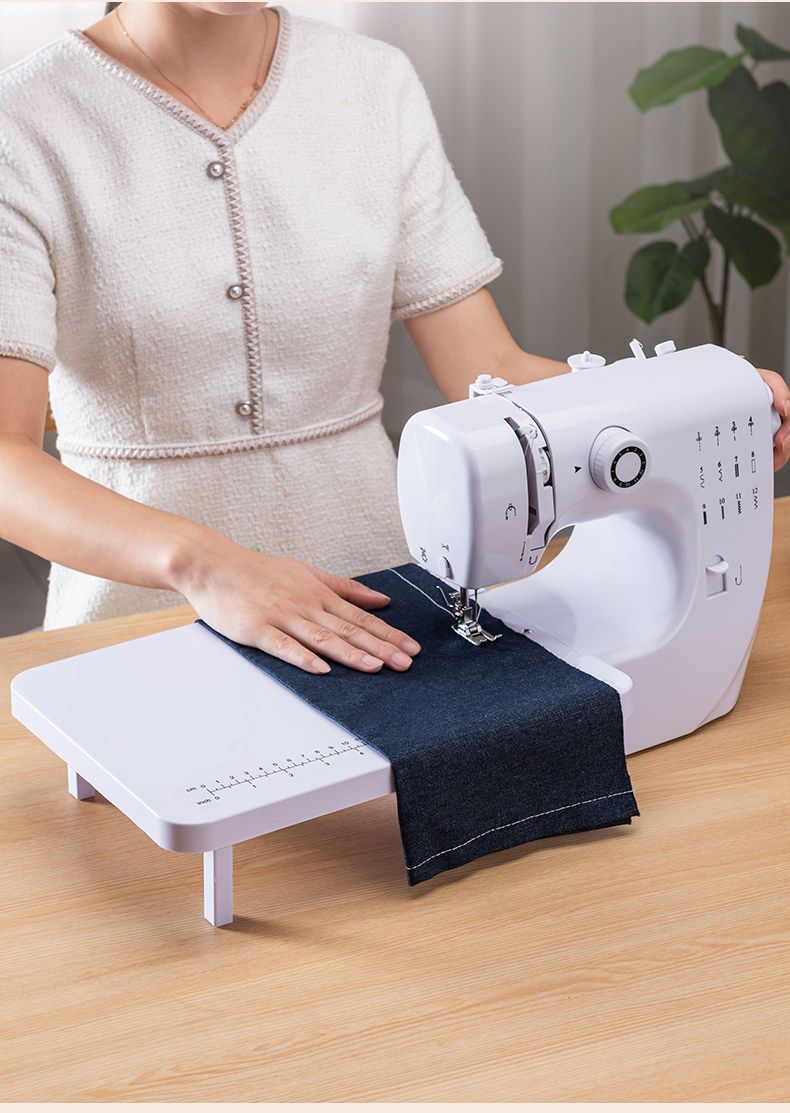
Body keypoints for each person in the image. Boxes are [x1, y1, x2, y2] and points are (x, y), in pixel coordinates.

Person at [1, 3, 788, 676]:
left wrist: (687, 407)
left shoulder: (372, 83)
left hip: (386, 611)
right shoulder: (25, 120)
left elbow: (489, 369)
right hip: (139, 625)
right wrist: (203, 563)